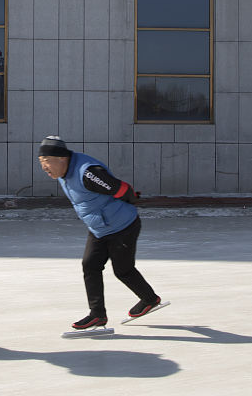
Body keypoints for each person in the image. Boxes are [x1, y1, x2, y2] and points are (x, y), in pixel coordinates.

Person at [37, 135, 162, 330]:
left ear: (61, 158)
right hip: (99, 228)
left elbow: (122, 189)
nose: (44, 167)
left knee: (123, 270)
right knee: (90, 265)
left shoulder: (87, 173)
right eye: (40, 162)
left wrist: (132, 201)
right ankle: (97, 315)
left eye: (46, 161)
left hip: (122, 227)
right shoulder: (62, 171)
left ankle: (149, 299)